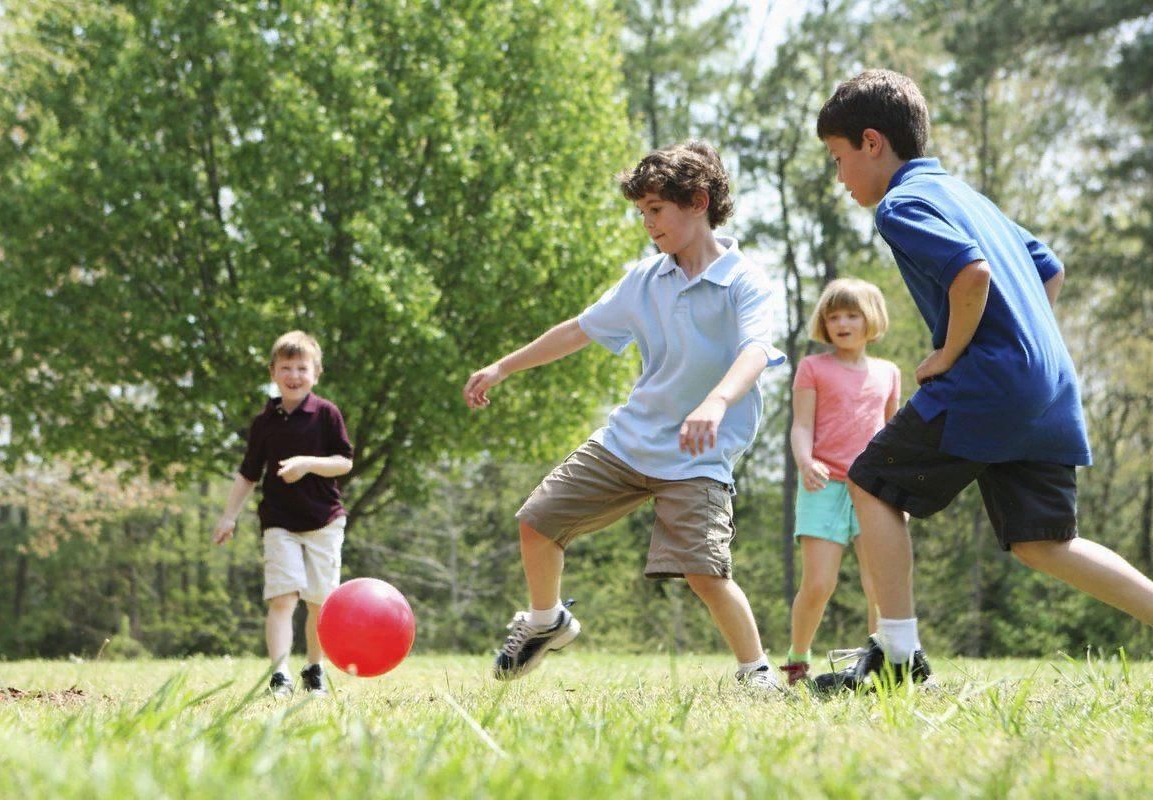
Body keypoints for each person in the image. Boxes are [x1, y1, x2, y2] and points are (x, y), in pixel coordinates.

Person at [812, 69, 1153, 690]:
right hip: (1045, 387)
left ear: (871, 142)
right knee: (1043, 541)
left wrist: (949, 351)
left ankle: (896, 658)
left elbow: (970, 275)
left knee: (870, 483)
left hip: (986, 385)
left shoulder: (902, 203)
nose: (839, 177)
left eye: (838, 159)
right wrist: (1023, 341)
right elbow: (1048, 267)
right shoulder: (965, 194)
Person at [463, 141, 787, 689]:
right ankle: (546, 623)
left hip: (697, 456)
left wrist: (716, 401)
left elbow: (755, 350)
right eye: (641, 213)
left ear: (699, 202)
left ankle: (755, 673)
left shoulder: (744, 280)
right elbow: (577, 329)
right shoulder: (644, 279)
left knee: (705, 572)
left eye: (656, 210)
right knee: (537, 522)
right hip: (630, 439)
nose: (647, 224)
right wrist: (503, 366)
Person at [213, 330, 354, 697]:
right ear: (273, 372)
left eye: (302, 368)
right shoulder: (264, 423)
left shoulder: (326, 414)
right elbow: (248, 473)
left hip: (324, 520)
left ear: (316, 373)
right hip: (279, 522)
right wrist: (229, 516)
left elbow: (344, 462)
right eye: (286, 368)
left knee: (320, 601)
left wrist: (307, 464)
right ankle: (279, 675)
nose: (294, 375)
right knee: (282, 597)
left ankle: (314, 668)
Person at [782, 278, 899, 686]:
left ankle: (878, 663)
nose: (843, 324)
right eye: (834, 317)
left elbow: (890, 434)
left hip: (873, 489)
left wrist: (897, 486)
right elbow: (800, 426)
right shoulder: (813, 367)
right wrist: (805, 461)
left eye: (852, 315)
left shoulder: (888, 372)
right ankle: (797, 661)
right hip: (823, 484)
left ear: (871, 319)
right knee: (818, 583)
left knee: (879, 585)